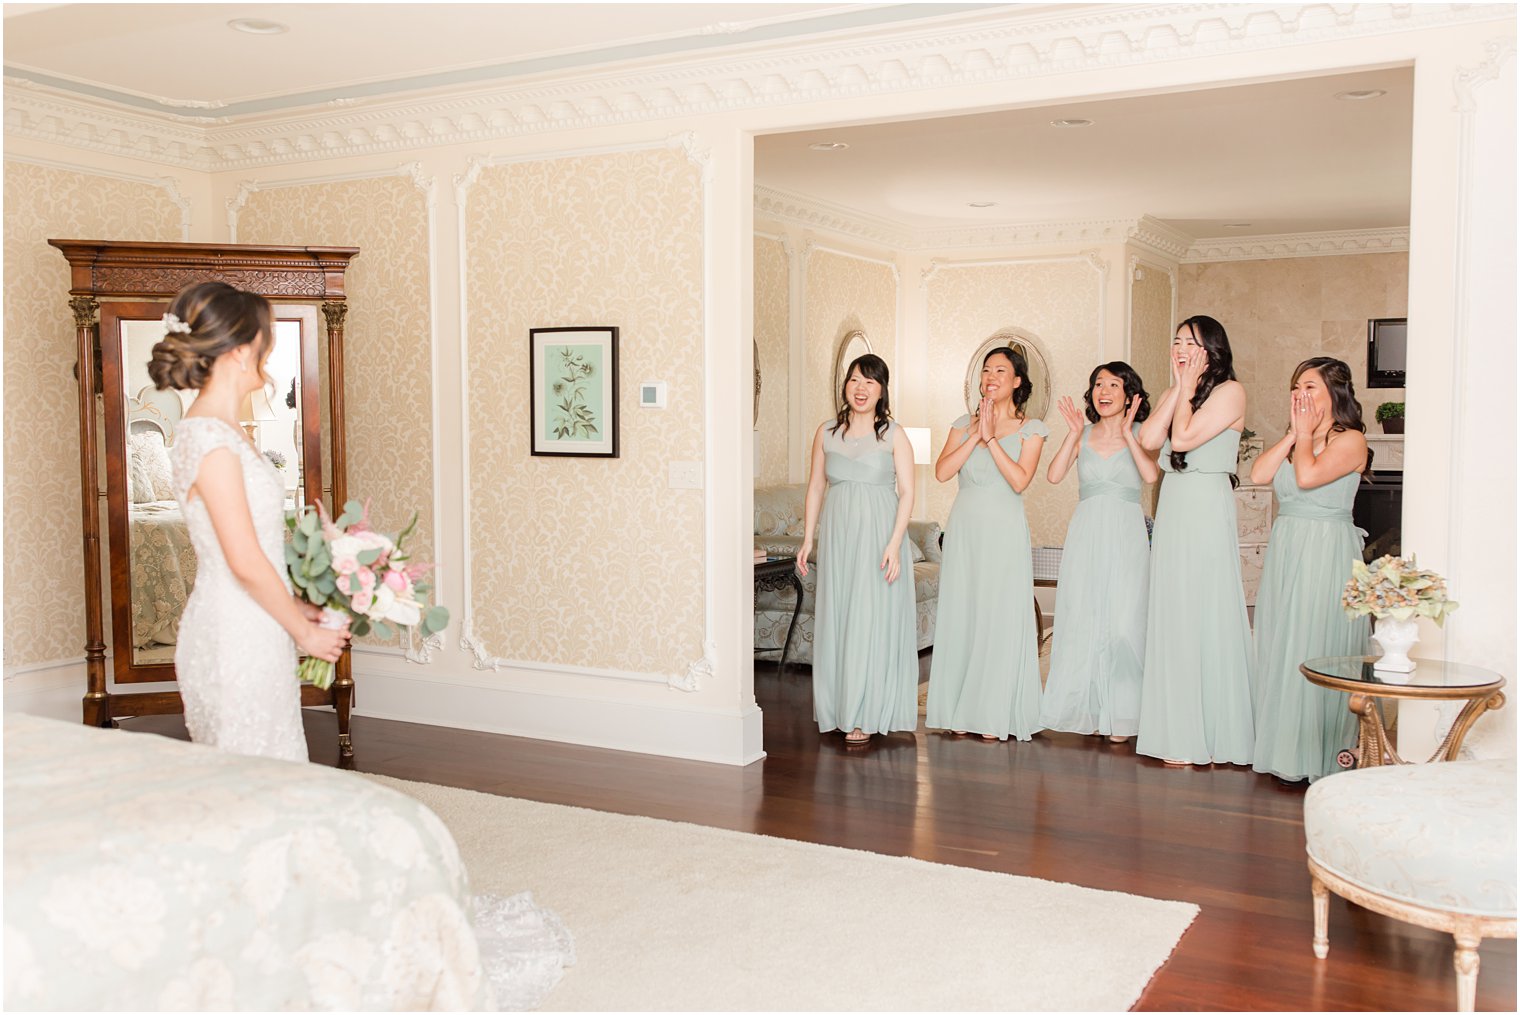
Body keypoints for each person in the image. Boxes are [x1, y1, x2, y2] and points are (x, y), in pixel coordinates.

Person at [149, 281, 349, 762]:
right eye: (265, 341)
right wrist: (305, 636)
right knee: (250, 773)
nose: (268, 351)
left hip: (257, 625)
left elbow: (255, 546)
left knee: (273, 764)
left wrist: (298, 607)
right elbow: (242, 559)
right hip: (232, 635)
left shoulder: (225, 430)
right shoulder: (211, 442)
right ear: (240, 351)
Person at [1135, 315, 1254, 767]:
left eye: (1192, 342)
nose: (1181, 348)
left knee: (1202, 604)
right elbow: (1148, 439)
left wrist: (1183, 391)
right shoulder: (1176, 392)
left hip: (1205, 503)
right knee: (1174, 607)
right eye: (1177, 340)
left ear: (1212, 350)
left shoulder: (1230, 392)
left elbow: (1182, 438)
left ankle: (1211, 729)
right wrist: (1176, 390)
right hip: (1175, 505)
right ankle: (1175, 728)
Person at [1249, 357, 1370, 782]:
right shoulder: (1295, 438)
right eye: (1295, 387)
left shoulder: (1351, 440)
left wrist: (1303, 438)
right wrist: (1293, 435)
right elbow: (1259, 472)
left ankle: (1322, 754)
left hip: (1325, 551)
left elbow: (1307, 476)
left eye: (1310, 387)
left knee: (1316, 643)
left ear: (1335, 393)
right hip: (1288, 549)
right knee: (1284, 644)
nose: (1299, 395)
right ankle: (1285, 749)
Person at [925, 346, 1049, 742]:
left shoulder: (1033, 428)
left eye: (1001, 371)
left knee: (997, 615)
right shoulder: (962, 423)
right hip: (965, 529)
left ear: (1017, 381)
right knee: (965, 612)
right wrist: (975, 434)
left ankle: (994, 712)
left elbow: (1019, 481)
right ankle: (961, 711)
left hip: (1003, 530)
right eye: (986, 370)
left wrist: (992, 439)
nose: (991, 377)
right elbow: (943, 471)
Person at [796, 353, 918, 745]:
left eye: (870, 381)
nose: (860, 388)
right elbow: (816, 486)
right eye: (854, 380)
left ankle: (867, 712)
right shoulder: (826, 432)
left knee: (871, 619)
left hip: (880, 537)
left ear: (882, 390)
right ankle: (839, 708)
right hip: (838, 535)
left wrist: (896, 544)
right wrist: (808, 538)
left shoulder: (894, 434)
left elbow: (908, 492)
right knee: (841, 617)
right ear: (845, 386)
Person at [1039, 362, 1158, 742]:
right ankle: (1086, 709)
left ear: (1130, 395)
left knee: (1124, 624)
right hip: (1087, 532)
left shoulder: (1141, 432)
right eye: (1097, 384)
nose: (1103, 391)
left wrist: (1128, 434)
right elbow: (1054, 475)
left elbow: (1151, 476)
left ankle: (1123, 714)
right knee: (1084, 618)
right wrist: (1072, 435)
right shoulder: (1083, 433)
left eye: (1113, 384)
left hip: (1125, 533)